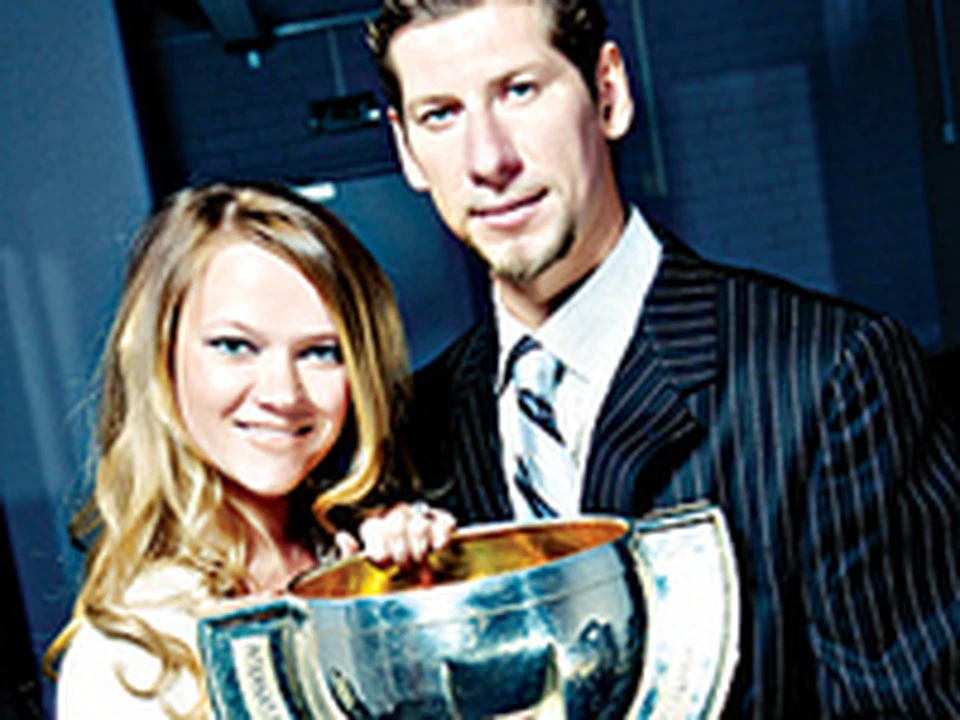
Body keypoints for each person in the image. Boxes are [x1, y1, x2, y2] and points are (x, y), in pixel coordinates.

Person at [368, 1, 960, 717]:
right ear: (407, 150)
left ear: (608, 93)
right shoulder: (411, 427)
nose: (488, 160)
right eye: (440, 115)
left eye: (520, 91)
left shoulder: (830, 373)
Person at [46, 182, 455, 719]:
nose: (283, 394)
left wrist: (428, 589)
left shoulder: (362, 554)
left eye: (321, 352)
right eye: (235, 346)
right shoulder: (127, 656)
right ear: (160, 357)